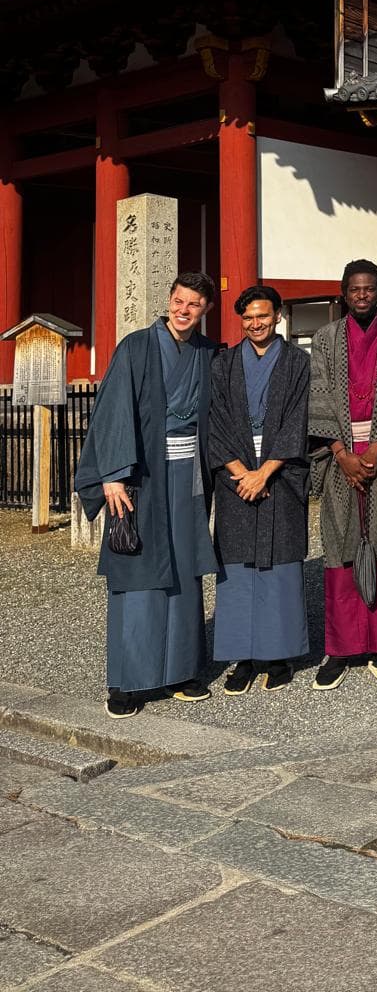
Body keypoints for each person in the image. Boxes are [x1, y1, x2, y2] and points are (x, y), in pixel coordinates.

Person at [75, 272, 220, 718]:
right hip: (142, 476)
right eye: (179, 300)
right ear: (169, 300)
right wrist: (113, 474)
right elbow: (114, 408)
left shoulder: (209, 354)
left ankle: (180, 672)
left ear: (205, 310)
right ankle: (128, 680)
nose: (184, 309)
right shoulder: (136, 347)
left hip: (190, 474)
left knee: (183, 567)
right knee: (138, 569)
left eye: (194, 304)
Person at [308, 260, 377, 689]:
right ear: (343, 292)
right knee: (341, 545)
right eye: (354, 289)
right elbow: (317, 392)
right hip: (340, 455)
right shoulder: (324, 339)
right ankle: (342, 647)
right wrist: (340, 452)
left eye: (369, 288)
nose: (361, 295)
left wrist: (374, 449)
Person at [208, 285, 312, 693]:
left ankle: (278, 655)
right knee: (237, 566)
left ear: (278, 316)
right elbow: (213, 421)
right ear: (241, 319)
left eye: (263, 316)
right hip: (234, 475)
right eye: (248, 317)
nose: (256, 323)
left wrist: (265, 472)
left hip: (280, 473)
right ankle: (243, 656)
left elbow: (300, 419)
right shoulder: (223, 364)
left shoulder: (298, 363)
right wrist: (240, 472)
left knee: (281, 563)